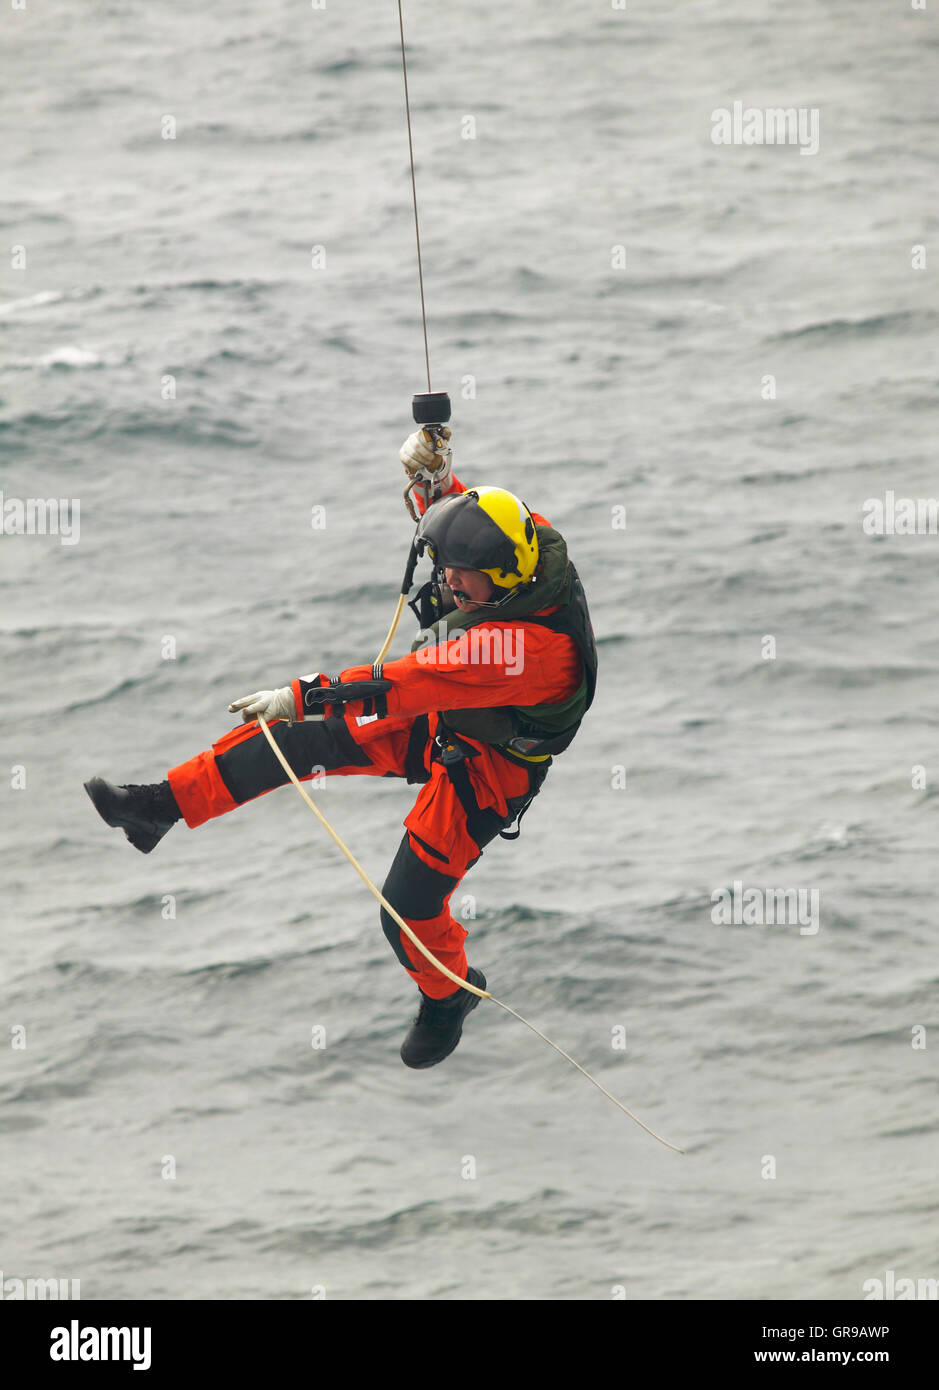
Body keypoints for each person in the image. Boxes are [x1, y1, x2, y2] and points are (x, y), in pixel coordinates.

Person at [84, 428, 597, 1068]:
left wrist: (300, 694)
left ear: (501, 579)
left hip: (490, 769)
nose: (450, 586)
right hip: (456, 716)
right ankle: (159, 808)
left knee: (406, 908)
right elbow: (475, 522)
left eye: (463, 581)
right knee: (292, 744)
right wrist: (436, 482)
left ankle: (448, 998)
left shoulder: (521, 654)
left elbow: (401, 685)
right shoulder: (530, 545)